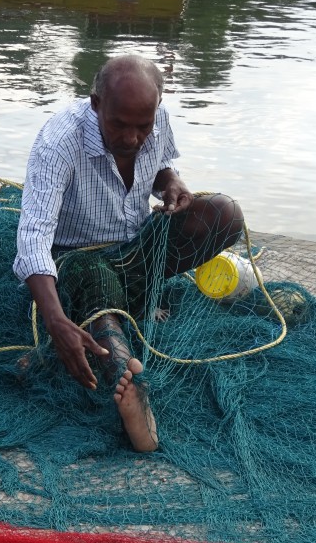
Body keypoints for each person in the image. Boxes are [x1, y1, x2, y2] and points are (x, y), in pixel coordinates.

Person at [14, 54, 244, 452]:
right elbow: (33, 236)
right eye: (119, 125)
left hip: (135, 249)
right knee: (94, 276)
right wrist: (54, 319)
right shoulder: (58, 144)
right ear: (96, 104)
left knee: (224, 214)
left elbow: (161, 167)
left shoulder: (156, 120)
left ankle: (122, 304)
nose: (132, 139)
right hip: (73, 257)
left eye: (143, 126)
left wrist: (172, 184)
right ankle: (131, 386)